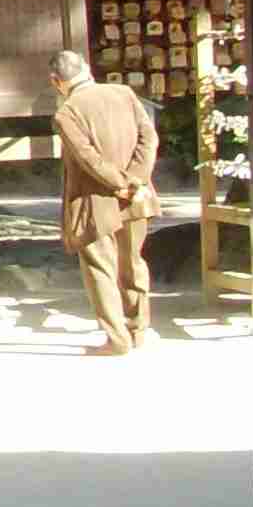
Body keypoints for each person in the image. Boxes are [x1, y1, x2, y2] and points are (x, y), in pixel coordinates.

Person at [50, 48, 158, 355]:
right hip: (136, 197)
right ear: (87, 67)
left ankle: (117, 339)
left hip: (94, 200)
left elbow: (89, 159)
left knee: (101, 269)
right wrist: (135, 180)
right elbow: (149, 139)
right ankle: (138, 331)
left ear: (57, 81)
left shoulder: (66, 113)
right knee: (133, 262)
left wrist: (120, 184)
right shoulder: (123, 93)